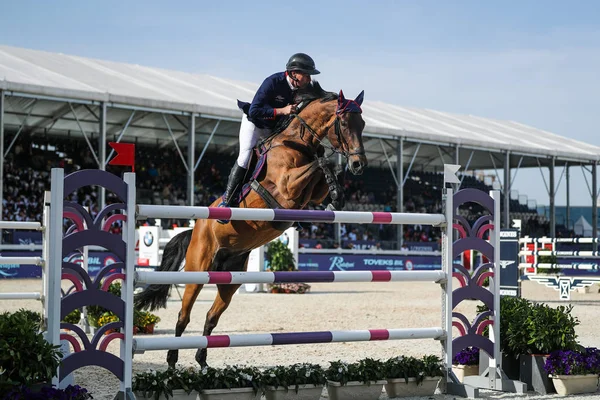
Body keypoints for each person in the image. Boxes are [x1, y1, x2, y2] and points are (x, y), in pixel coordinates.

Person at [217, 53, 321, 224]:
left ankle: (295, 207)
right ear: (294, 73)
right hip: (254, 123)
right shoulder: (273, 82)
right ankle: (227, 202)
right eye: (307, 74)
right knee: (245, 156)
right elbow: (254, 110)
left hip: (272, 127)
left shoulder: (302, 89)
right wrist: (282, 111)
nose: (309, 79)